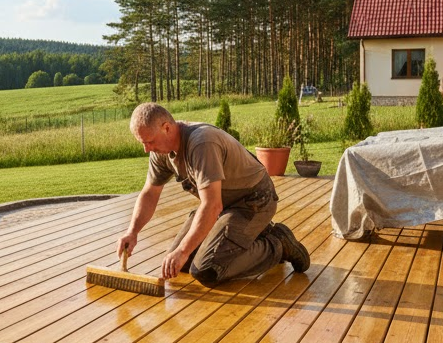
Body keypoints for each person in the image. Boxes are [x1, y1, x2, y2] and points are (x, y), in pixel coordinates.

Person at [118, 102, 311, 286]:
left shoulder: (202, 142)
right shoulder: (160, 151)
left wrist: (183, 250)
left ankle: (277, 243)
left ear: (166, 128)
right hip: (223, 206)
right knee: (182, 264)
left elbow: (212, 205)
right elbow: (150, 193)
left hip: (254, 202)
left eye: (149, 141)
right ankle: (241, 234)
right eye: (143, 143)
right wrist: (132, 232)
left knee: (207, 270)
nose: (146, 149)